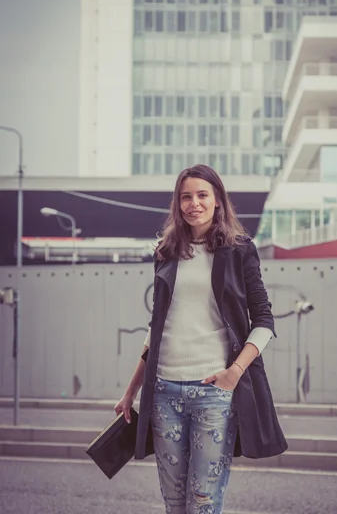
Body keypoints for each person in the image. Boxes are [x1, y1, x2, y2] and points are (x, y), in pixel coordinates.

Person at [115, 164, 287, 514]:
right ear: (177, 204)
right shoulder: (166, 251)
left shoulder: (239, 250)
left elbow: (264, 320)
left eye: (202, 195)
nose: (194, 203)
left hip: (213, 392)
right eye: (185, 197)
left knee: (202, 502)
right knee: (175, 502)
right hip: (163, 391)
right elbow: (157, 326)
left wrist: (234, 373)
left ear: (218, 201)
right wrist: (131, 389)